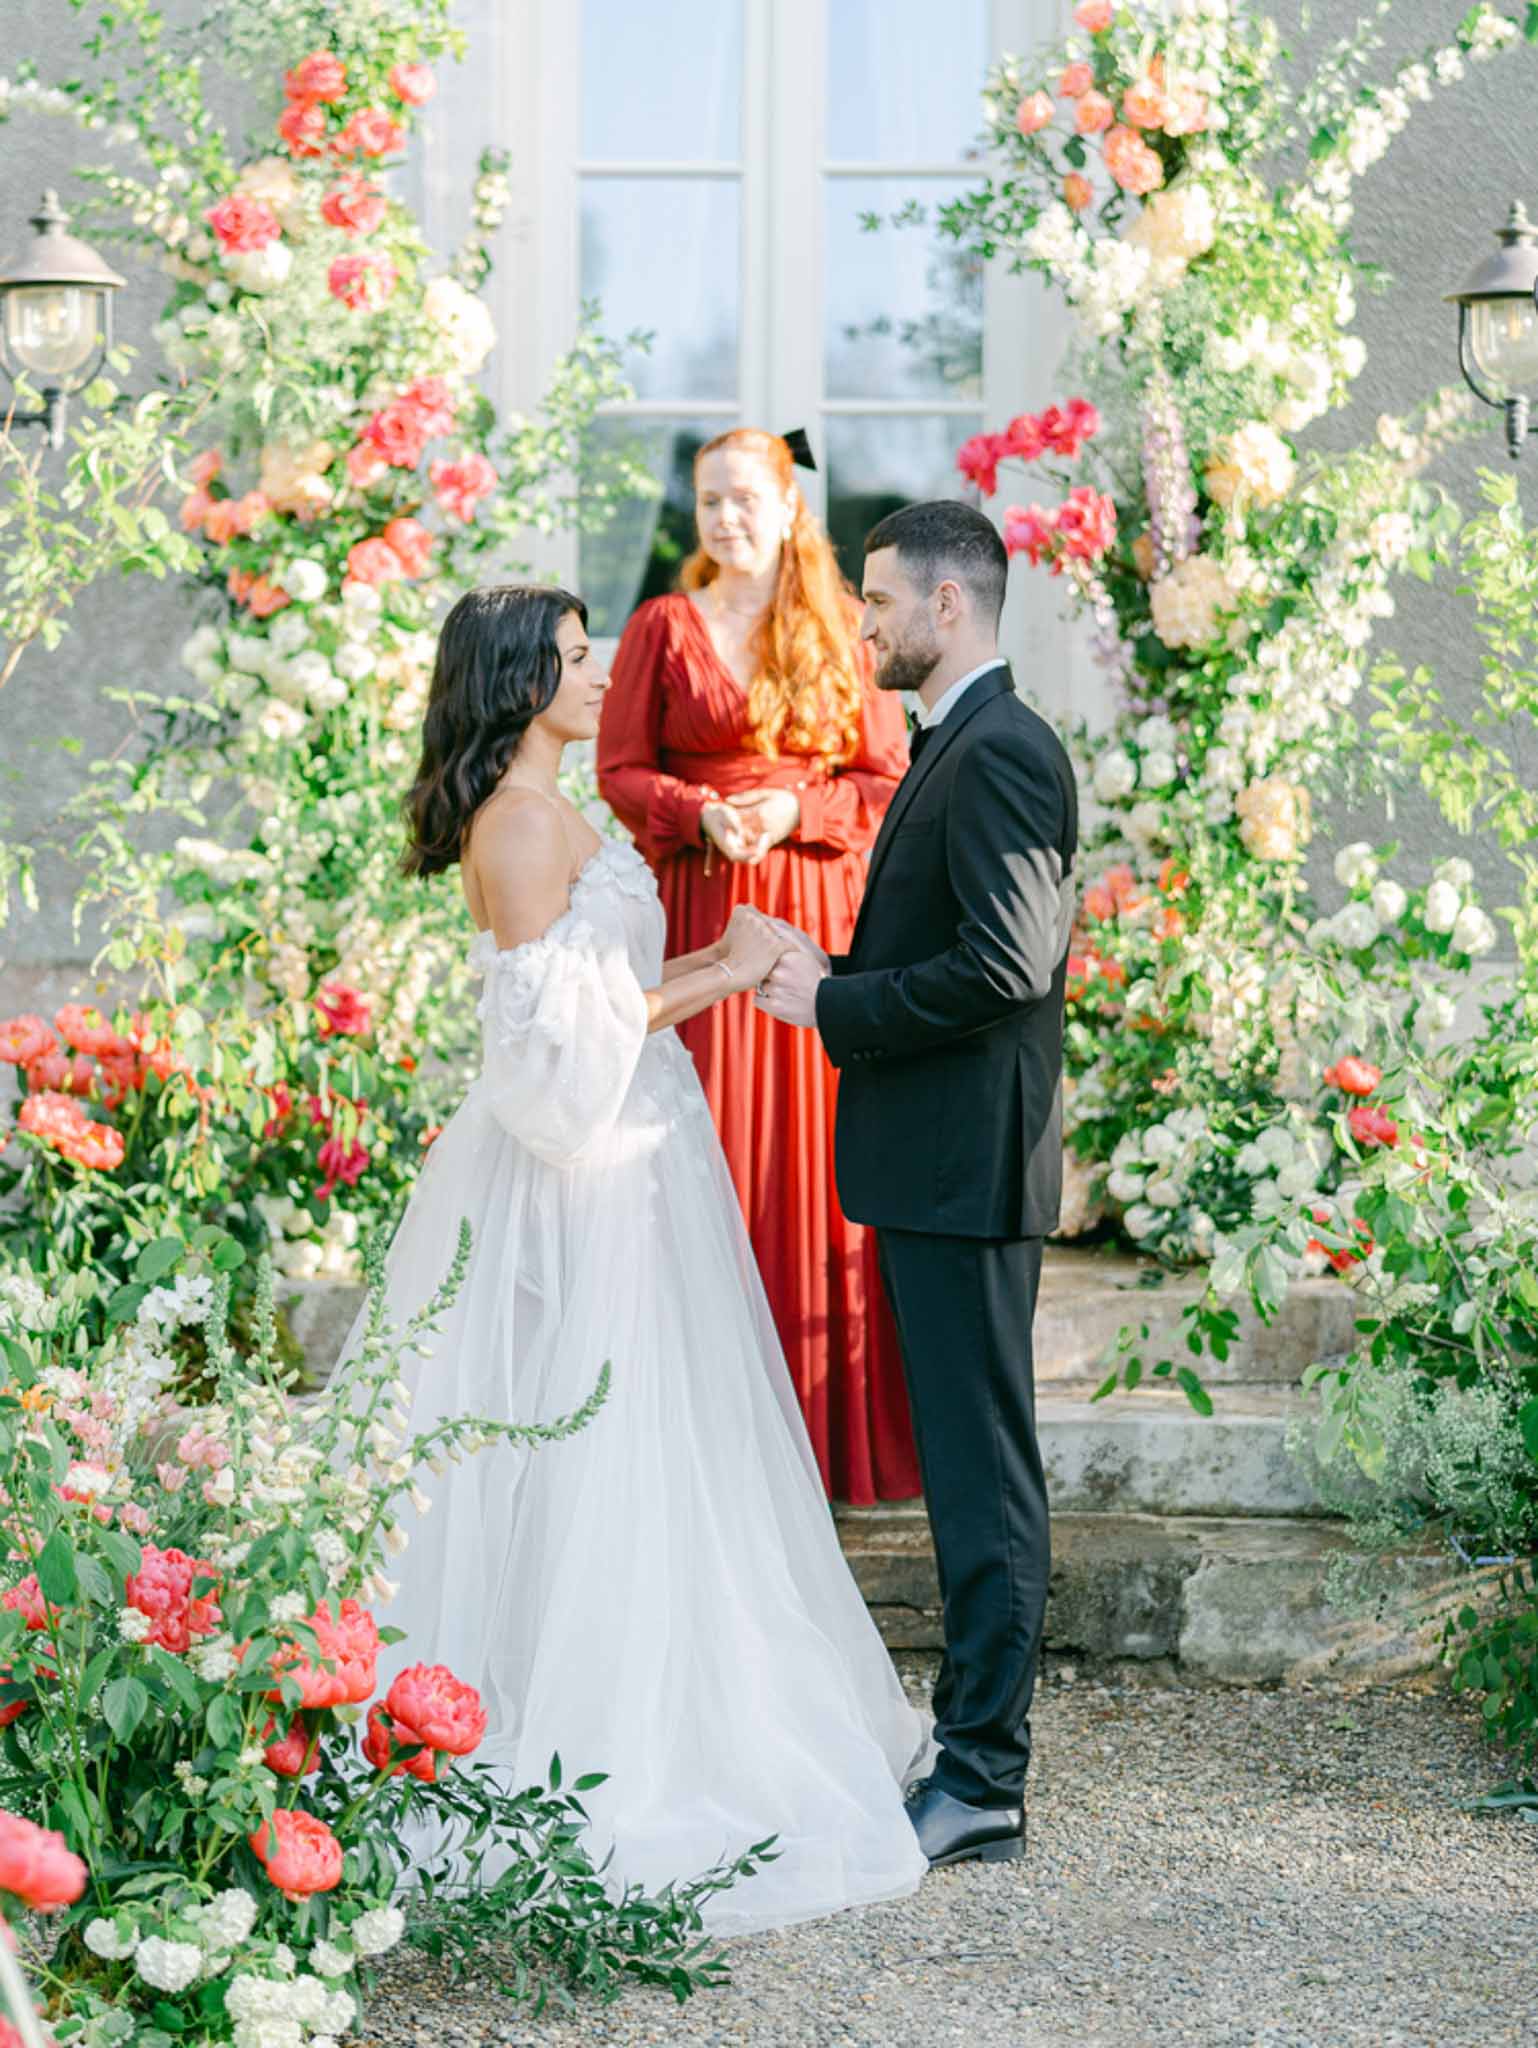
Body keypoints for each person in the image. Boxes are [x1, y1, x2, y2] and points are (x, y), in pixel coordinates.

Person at [371, 582, 928, 1931]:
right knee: (590, 1444)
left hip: (645, 1159)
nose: (593, 673)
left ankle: (700, 1692)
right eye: (567, 661)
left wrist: (705, 965)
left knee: (673, 1444)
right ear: (513, 685)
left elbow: (600, 992)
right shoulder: (513, 827)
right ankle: (595, 1733)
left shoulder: (567, 812)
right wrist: (723, 967)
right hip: (579, 1185)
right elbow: (547, 1067)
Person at [755, 501, 1078, 1870]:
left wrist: (833, 1004)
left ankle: (985, 1777)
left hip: (965, 1172)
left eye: (879, 601)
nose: (863, 624)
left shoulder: (1003, 747)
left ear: (949, 607)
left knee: (981, 1476)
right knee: (964, 1472)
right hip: (934, 1168)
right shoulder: (955, 741)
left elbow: (1007, 966)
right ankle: (966, 1749)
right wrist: (832, 978)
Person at [597, 428, 921, 1506]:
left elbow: (886, 780)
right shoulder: (661, 623)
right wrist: (697, 812)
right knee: (711, 1160)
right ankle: (701, 1449)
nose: (724, 517)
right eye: (707, 499)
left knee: (815, 1169)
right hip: (704, 904)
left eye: (743, 497)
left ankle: (822, 1441)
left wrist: (793, 805)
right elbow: (617, 766)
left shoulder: (839, 624)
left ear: (789, 507)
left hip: (813, 909)